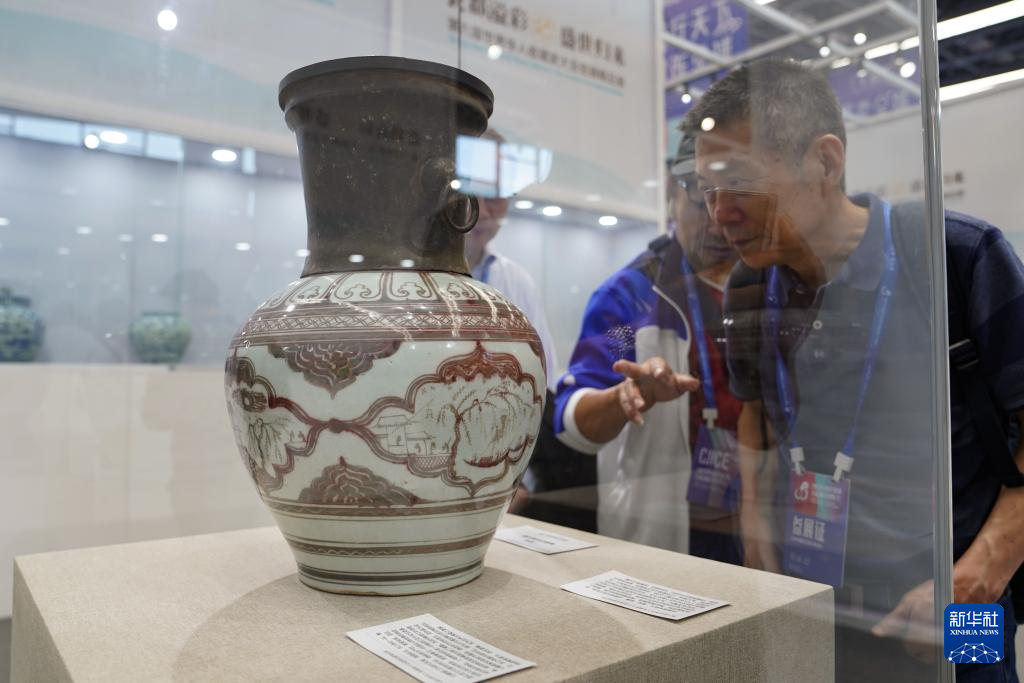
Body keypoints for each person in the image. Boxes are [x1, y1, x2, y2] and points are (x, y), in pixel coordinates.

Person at [684, 58, 1024, 681]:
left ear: (826, 161)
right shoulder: (749, 287)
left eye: (739, 181)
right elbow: (755, 415)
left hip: (958, 599)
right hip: (817, 603)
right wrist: (757, 532)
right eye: (707, 188)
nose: (719, 212)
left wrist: (977, 575)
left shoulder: (957, 256)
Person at [551, 135, 745, 563]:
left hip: (754, 528)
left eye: (733, 204)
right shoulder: (631, 299)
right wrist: (624, 398)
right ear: (673, 190)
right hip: (663, 539)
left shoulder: (765, 288)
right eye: (702, 202)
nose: (717, 224)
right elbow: (570, 418)